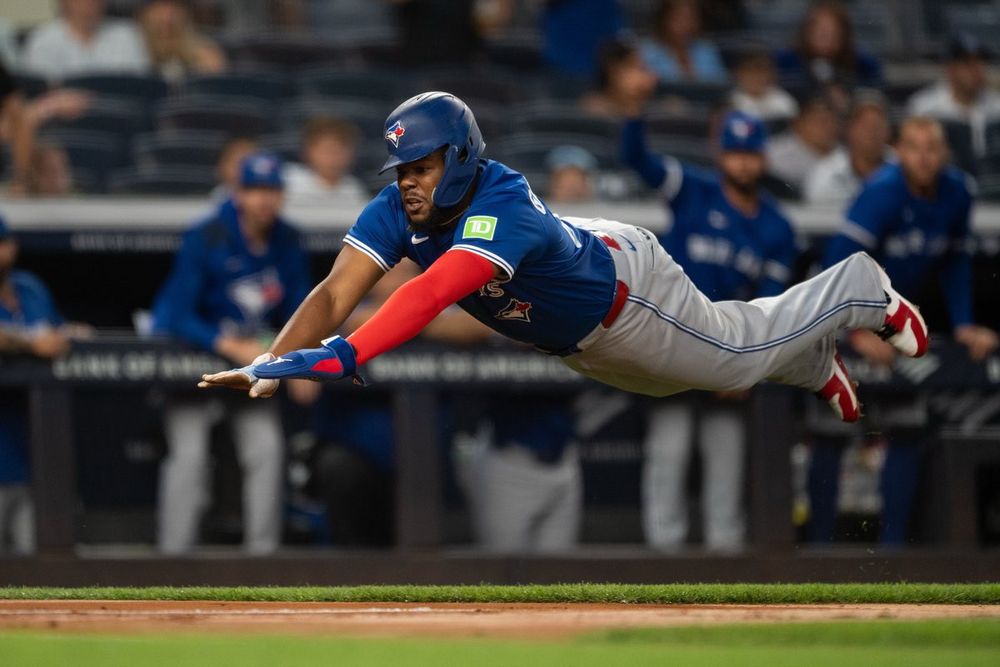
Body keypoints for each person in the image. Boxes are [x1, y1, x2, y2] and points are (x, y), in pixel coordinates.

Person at [198, 92, 930, 448]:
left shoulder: (499, 200)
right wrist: (272, 360)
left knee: (733, 358)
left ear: (459, 156)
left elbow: (433, 292)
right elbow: (335, 291)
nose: (408, 182)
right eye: (401, 169)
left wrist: (346, 353)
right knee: (686, 379)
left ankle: (857, 286)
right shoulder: (399, 206)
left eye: (421, 166)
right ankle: (812, 363)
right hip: (576, 334)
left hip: (626, 294)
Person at [816, 117, 998, 545]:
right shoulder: (881, 192)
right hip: (835, 313)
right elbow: (837, 266)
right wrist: (856, 332)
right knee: (831, 430)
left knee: (906, 426)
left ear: (945, 154)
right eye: (914, 147)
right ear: (899, 152)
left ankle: (894, 550)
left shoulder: (958, 192)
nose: (924, 157)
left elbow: (955, 261)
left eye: (932, 148)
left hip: (896, 320)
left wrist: (963, 323)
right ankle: (816, 550)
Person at [622, 109, 797, 551]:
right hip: (674, 338)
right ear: (721, 155)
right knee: (671, 448)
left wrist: (746, 362)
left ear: (763, 158)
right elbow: (637, 159)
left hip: (727, 346)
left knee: (726, 453)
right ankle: (663, 555)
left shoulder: (777, 226)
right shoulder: (693, 190)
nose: (743, 163)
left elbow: (769, 306)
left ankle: (726, 553)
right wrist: (634, 113)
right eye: (735, 153)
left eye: (750, 154)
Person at [151, 151, 314, 555]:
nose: (264, 199)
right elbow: (176, 315)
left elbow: (302, 308)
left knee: (267, 448)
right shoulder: (206, 235)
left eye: (271, 190)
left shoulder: (288, 239)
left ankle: (262, 559)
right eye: (255, 189)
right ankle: (172, 559)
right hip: (194, 364)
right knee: (189, 456)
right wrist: (228, 345)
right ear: (238, 193)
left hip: (250, 367)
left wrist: (302, 360)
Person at [0, 215, 74, 555]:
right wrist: (31, 344)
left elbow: (56, 330)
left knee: (36, 564)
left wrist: (70, 334)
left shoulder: (29, 287)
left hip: (30, 456)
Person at [774, 1, 881, 113]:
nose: (827, 38)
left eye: (834, 32)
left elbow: (874, 101)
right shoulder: (783, 62)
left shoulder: (864, 66)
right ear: (807, 31)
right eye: (821, 31)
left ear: (844, 34)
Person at [908, 32, 1000, 158]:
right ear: (950, 69)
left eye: (979, 63)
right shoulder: (925, 107)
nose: (975, 70)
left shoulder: (997, 105)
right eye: (967, 64)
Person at [20, 0, 151, 81]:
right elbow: (40, 95)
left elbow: (138, 86)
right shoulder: (42, 41)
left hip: (120, 115)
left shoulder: (128, 35)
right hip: (62, 118)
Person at [805, 91, 892, 205]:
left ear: (888, 130)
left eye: (878, 125)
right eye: (865, 124)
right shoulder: (826, 173)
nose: (872, 132)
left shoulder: (901, 165)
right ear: (849, 129)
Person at [283, 116, 369, 206]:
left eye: (340, 150)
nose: (334, 157)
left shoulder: (355, 189)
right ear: (308, 151)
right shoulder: (288, 181)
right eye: (327, 149)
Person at [139, 0, 226, 84]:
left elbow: (214, 86)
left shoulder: (205, 54)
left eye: (174, 7)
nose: (167, 16)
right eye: (159, 7)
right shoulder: (134, 46)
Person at [640, 0, 727, 84]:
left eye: (691, 19)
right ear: (664, 20)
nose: (685, 25)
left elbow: (721, 84)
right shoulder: (648, 52)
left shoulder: (706, 49)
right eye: (678, 19)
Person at [766, 95, 840, 191]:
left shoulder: (844, 153)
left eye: (831, 120)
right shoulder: (772, 154)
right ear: (798, 123)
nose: (827, 127)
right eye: (819, 121)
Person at [580, 37, 660, 120]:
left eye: (647, 69)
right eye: (640, 68)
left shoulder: (656, 111)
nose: (652, 77)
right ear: (613, 71)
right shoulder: (591, 112)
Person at [729, 52, 798, 123]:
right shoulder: (731, 101)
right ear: (738, 75)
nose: (755, 77)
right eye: (749, 72)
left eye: (760, 73)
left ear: (770, 75)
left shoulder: (783, 100)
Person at [210, 135, 259, 203]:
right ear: (221, 166)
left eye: (246, 163)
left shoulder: (268, 198)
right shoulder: (218, 198)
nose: (240, 170)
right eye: (236, 163)